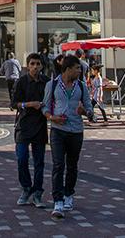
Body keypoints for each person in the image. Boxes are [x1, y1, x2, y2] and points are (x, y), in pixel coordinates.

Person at [42, 54, 93, 220]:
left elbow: (90, 111)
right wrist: (52, 117)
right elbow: (45, 107)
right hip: (58, 129)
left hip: (76, 131)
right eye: (77, 68)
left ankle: (69, 194)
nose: (80, 71)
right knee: (58, 164)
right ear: (68, 69)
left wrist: (84, 112)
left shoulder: (82, 87)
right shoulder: (53, 84)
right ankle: (58, 200)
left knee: (72, 165)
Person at [11, 53, 48, 209]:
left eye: (38, 64)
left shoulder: (46, 82)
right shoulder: (21, 82)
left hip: (40, 125)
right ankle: (26, 188)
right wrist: (29, 104)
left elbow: (51, 100)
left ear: (41, 66)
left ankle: (37, 192)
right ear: (27, 65)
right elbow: (14, 104)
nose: (35, 67)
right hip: (24, 125)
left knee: (39, 162)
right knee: (22, 158)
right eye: (32, 63)